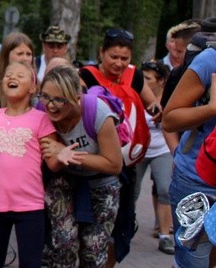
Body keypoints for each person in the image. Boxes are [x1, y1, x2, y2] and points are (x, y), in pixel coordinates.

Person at [78, 28, 161, 267]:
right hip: (94, 163)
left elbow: (151, 104)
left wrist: (156, 110)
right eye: (113, 57)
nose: (119, 63)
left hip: (126, 162)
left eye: (124, 58)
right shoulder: (86, 75)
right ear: (101, 52)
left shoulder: (134, 76)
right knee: (88, 223)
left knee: (121, 223)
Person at [38, 65, 123, 268]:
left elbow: (114, 164)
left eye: (59, 99)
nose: (51, 105)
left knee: (93, 251)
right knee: (63, 242)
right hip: (64, 178)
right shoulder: (40, 109)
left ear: (76, 98)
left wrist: (69, 153)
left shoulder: (97, 111)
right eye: (46, 97)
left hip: (101, 181)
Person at [0, 61, 60, 268]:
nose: (12, 77)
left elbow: (52, 163)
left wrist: (62, 154)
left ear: (33, 88)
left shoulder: (42, 119)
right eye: (8, 75)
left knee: (31, 264)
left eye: (19, 75)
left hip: (30, 206)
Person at [162, 27, 216, 268]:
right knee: (193, 263)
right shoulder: (210, 60)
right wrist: (212, 109)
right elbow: (170, 119)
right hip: (197, 181)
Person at [135, 60, 176, 254]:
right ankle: (125, 224)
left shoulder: (170, 98)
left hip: (162, 149)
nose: (143, 81)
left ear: (160, 81)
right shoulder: (137, 95)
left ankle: (165, 235)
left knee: (165, 189)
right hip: (139, 148)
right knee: (132, 190)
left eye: (147, 78)